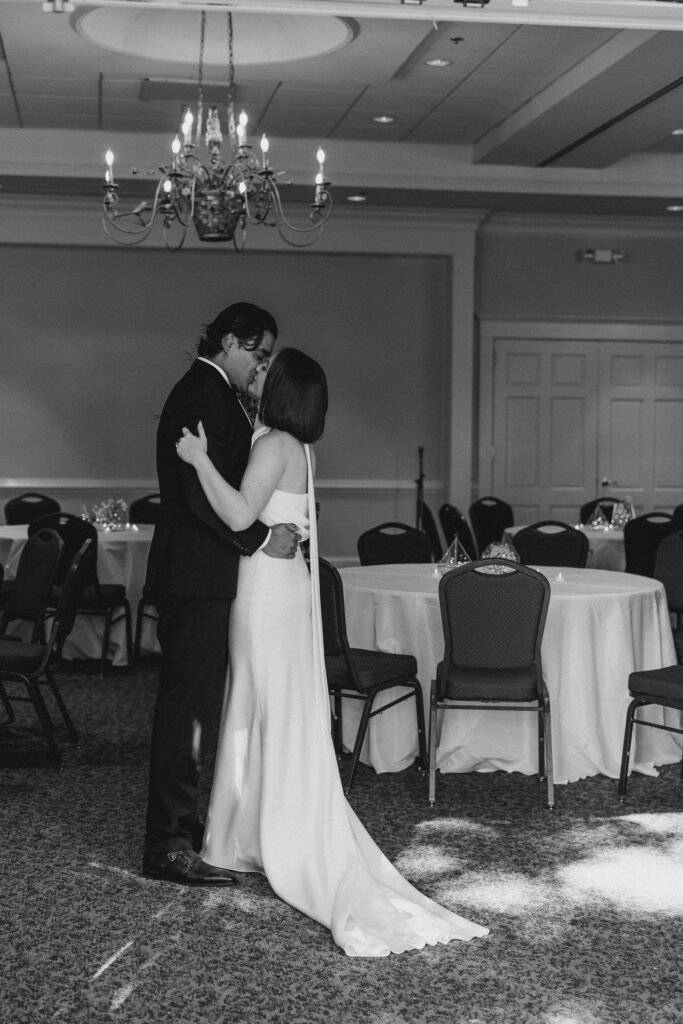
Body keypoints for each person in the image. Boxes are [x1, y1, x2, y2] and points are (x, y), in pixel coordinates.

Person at [176, 347, 489, 957]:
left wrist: (198, 460)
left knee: (258, 706)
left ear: (283, 390)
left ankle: (254, 837)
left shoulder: (275, 446)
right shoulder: (294, 446)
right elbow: (275, 520)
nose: (258, 373)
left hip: (265, 597)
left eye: (267, 371)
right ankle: (251, 833)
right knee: (266, 708)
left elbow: (239, 511)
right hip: (278, 588)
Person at [143, 303, 301, 887]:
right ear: (229, 340)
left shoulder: (220, 393)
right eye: (257, 354)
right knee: (186, 711)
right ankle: (166, 845)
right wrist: (260, 537)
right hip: (194, 575)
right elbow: (194, 494)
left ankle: (183, 829)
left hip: (206, 575)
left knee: (199, 708)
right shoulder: (201, 394)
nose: (261, 366)